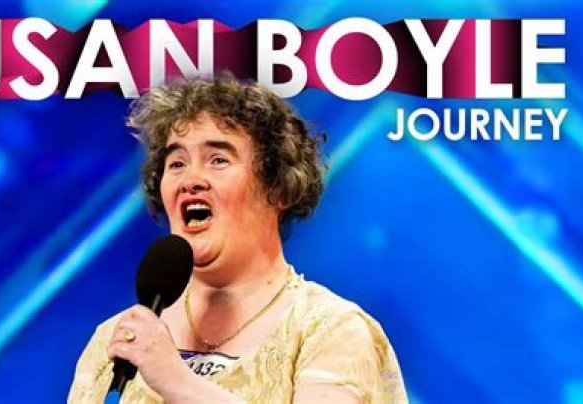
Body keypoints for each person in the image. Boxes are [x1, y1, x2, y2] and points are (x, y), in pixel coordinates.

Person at [68, 75, 407, 403]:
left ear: (278, 187)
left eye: (218, 160)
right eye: (177, 163)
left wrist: (176, 381)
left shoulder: (332, 329)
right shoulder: (118, 341)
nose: (191, 180)